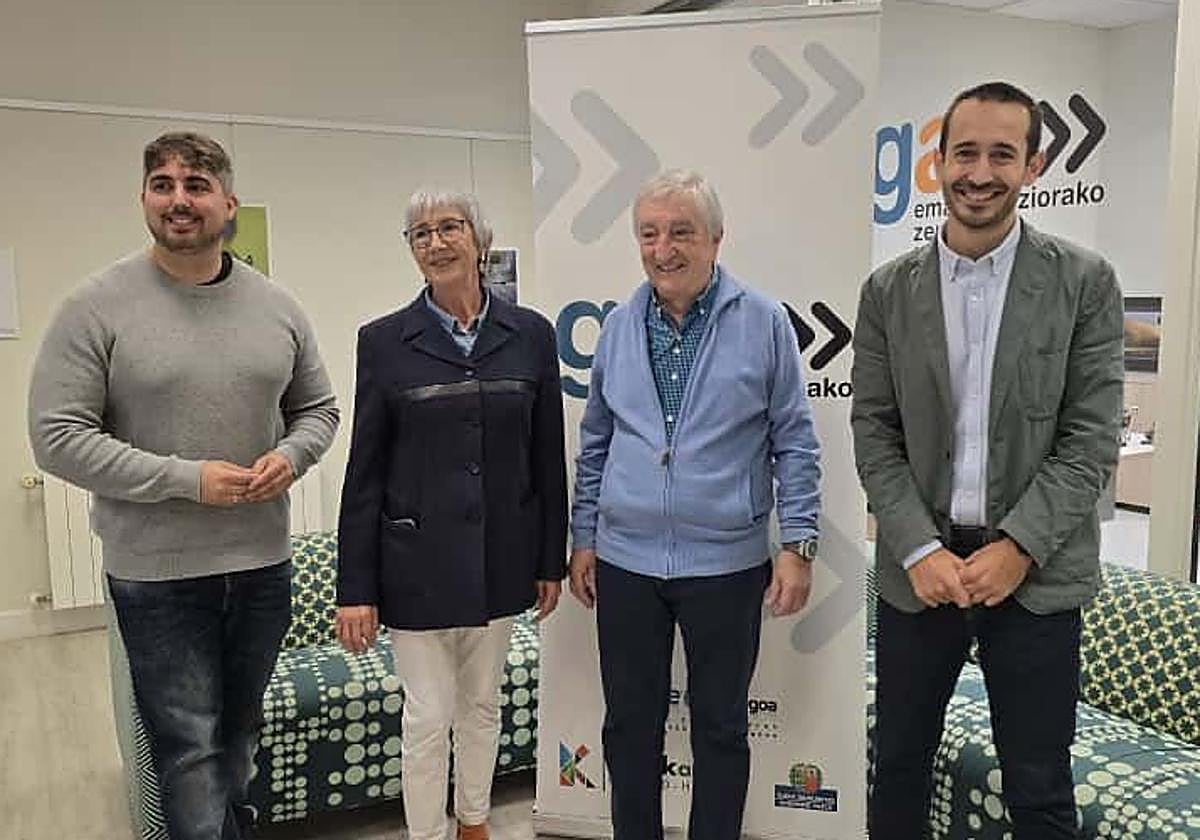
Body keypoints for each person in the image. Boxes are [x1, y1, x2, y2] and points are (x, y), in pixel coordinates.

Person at [28, 131, 340, 840]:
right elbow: (56, 437)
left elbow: (318, 410)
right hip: (158, 578)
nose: (179, 200)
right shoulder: (94, 307)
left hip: (262, 565)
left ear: (228, 203)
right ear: (143, 198)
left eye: (196, 186)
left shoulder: (278, 307)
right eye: (162, 184)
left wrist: (293, 456)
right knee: (189, 750)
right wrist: (187, 480)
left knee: (238, 742)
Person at [851, 81, 1124, 840]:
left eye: (1002, 154)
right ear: (937, 164)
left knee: (1039, 784)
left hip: (1036, 579)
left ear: (1034, 166)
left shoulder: (1085, 285)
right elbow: (873, 430)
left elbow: (1091, 437)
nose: (980, 171)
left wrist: (1020, 547)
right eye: (964, 152)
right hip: (921, 576)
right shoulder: (886, 292)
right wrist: (915, 545)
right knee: (899, 761)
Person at [568, 169, 822, 840]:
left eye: (680, 231)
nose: (663, 248)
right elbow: (595, 443)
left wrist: (798, 546)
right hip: (626, 562)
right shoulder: (619, 327)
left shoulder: (764, 322)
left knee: (720, 727)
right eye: (648, 234)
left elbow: (794, 442)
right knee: (628, 727)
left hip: (727, 564)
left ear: (716, 238)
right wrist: (583, 537)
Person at [335, 189, 568, 840]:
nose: (435, 243)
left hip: (502, 557)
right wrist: (355, 588)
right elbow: (365, 469)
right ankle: (427, 834)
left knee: (483, 704)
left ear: (479, 239)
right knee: (427, 714)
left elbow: (548, 458)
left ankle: (473, 822)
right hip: (415, 563)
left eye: (448, 228)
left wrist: (549, 558)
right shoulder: (383, 342)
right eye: (419, 233)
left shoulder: (531, 336)